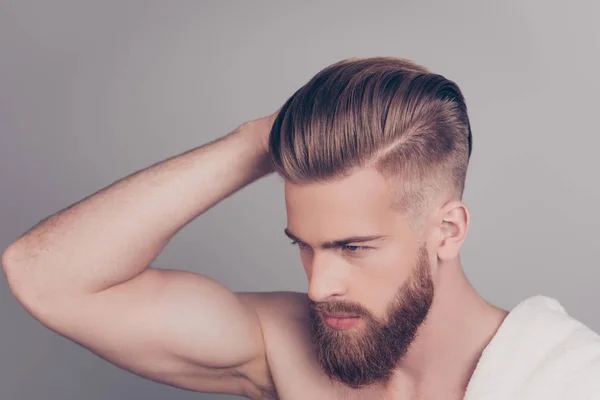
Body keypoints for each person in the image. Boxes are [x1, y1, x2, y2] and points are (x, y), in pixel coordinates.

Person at [2, 57, 599, 400]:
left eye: (353, 247)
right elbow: (46, 277)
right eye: (305, 248)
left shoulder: (570, 378)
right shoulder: (288, 348)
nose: (318, 287)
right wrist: (252, 146)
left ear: (447, 230)